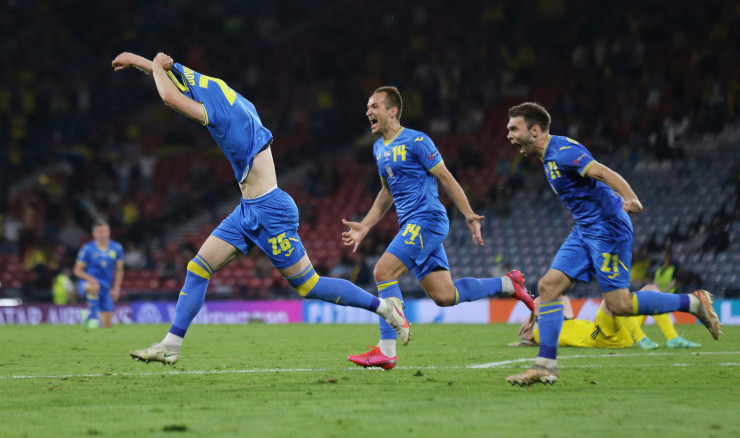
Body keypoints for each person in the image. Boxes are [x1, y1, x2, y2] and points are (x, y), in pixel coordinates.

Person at [112, 52, 410, 365]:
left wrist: (155, 66)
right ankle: (171, 345)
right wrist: (136, 60)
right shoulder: (220, 90)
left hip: (270, 210)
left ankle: (385, 308)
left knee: (309, 285)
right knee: (197, 268)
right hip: (247, 209)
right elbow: (175, 74)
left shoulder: (219, 115)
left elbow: (169, 97)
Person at [503, 102, 721, 386]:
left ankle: (693, 302)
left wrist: (631, 198)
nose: (509, 135)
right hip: (585, 229)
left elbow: (603, 172)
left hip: (607, 229)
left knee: (619, 304)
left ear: (534, 130)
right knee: (548, 287)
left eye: (514, 129)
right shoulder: (547, 157)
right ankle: (546, 365)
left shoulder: (564, 152)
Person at [342, 86, 534, 370]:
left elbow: (445, 176)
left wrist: (468, 214)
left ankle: (386, 350)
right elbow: (386, 192)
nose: (368, 111)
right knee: (445, 296)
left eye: (374, 106)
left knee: (383, 271)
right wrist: (365, 226)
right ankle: (509, 284)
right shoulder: (378, 148)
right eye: (368, 107)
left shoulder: (417, 141)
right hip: (412, 224)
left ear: (393, 111)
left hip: (427, 220)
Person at [512, 289, 700, 349]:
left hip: (620, 330)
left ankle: (672, 338)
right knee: (612, 299)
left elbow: (559, 295)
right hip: (597, 335)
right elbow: (542, 300)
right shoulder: (542, 334)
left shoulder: (564, 321)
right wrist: (532, 319)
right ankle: (641, 338)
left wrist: (531, 315)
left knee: (651, 289)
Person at [635, 250, 701, 349]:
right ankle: (670, 338)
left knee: (650, 291)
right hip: (620, 334)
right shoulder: (660, 269)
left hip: (667, 293)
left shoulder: (673, 268)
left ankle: (672, 338)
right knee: (651, 295)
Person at [73, 219, 124, 329]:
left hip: (106, 287)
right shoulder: (87, 249)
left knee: (107, 326)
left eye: (104, 231)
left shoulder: (117, 248)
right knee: (94, 286)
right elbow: (77, 270)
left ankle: (87, 315)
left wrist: (116, 288)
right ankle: (92, 317)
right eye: (99, 232)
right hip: (87, 284)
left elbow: (119, 270)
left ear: (109, 232)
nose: (102, 234)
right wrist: (89, 278)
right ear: (94, 234)